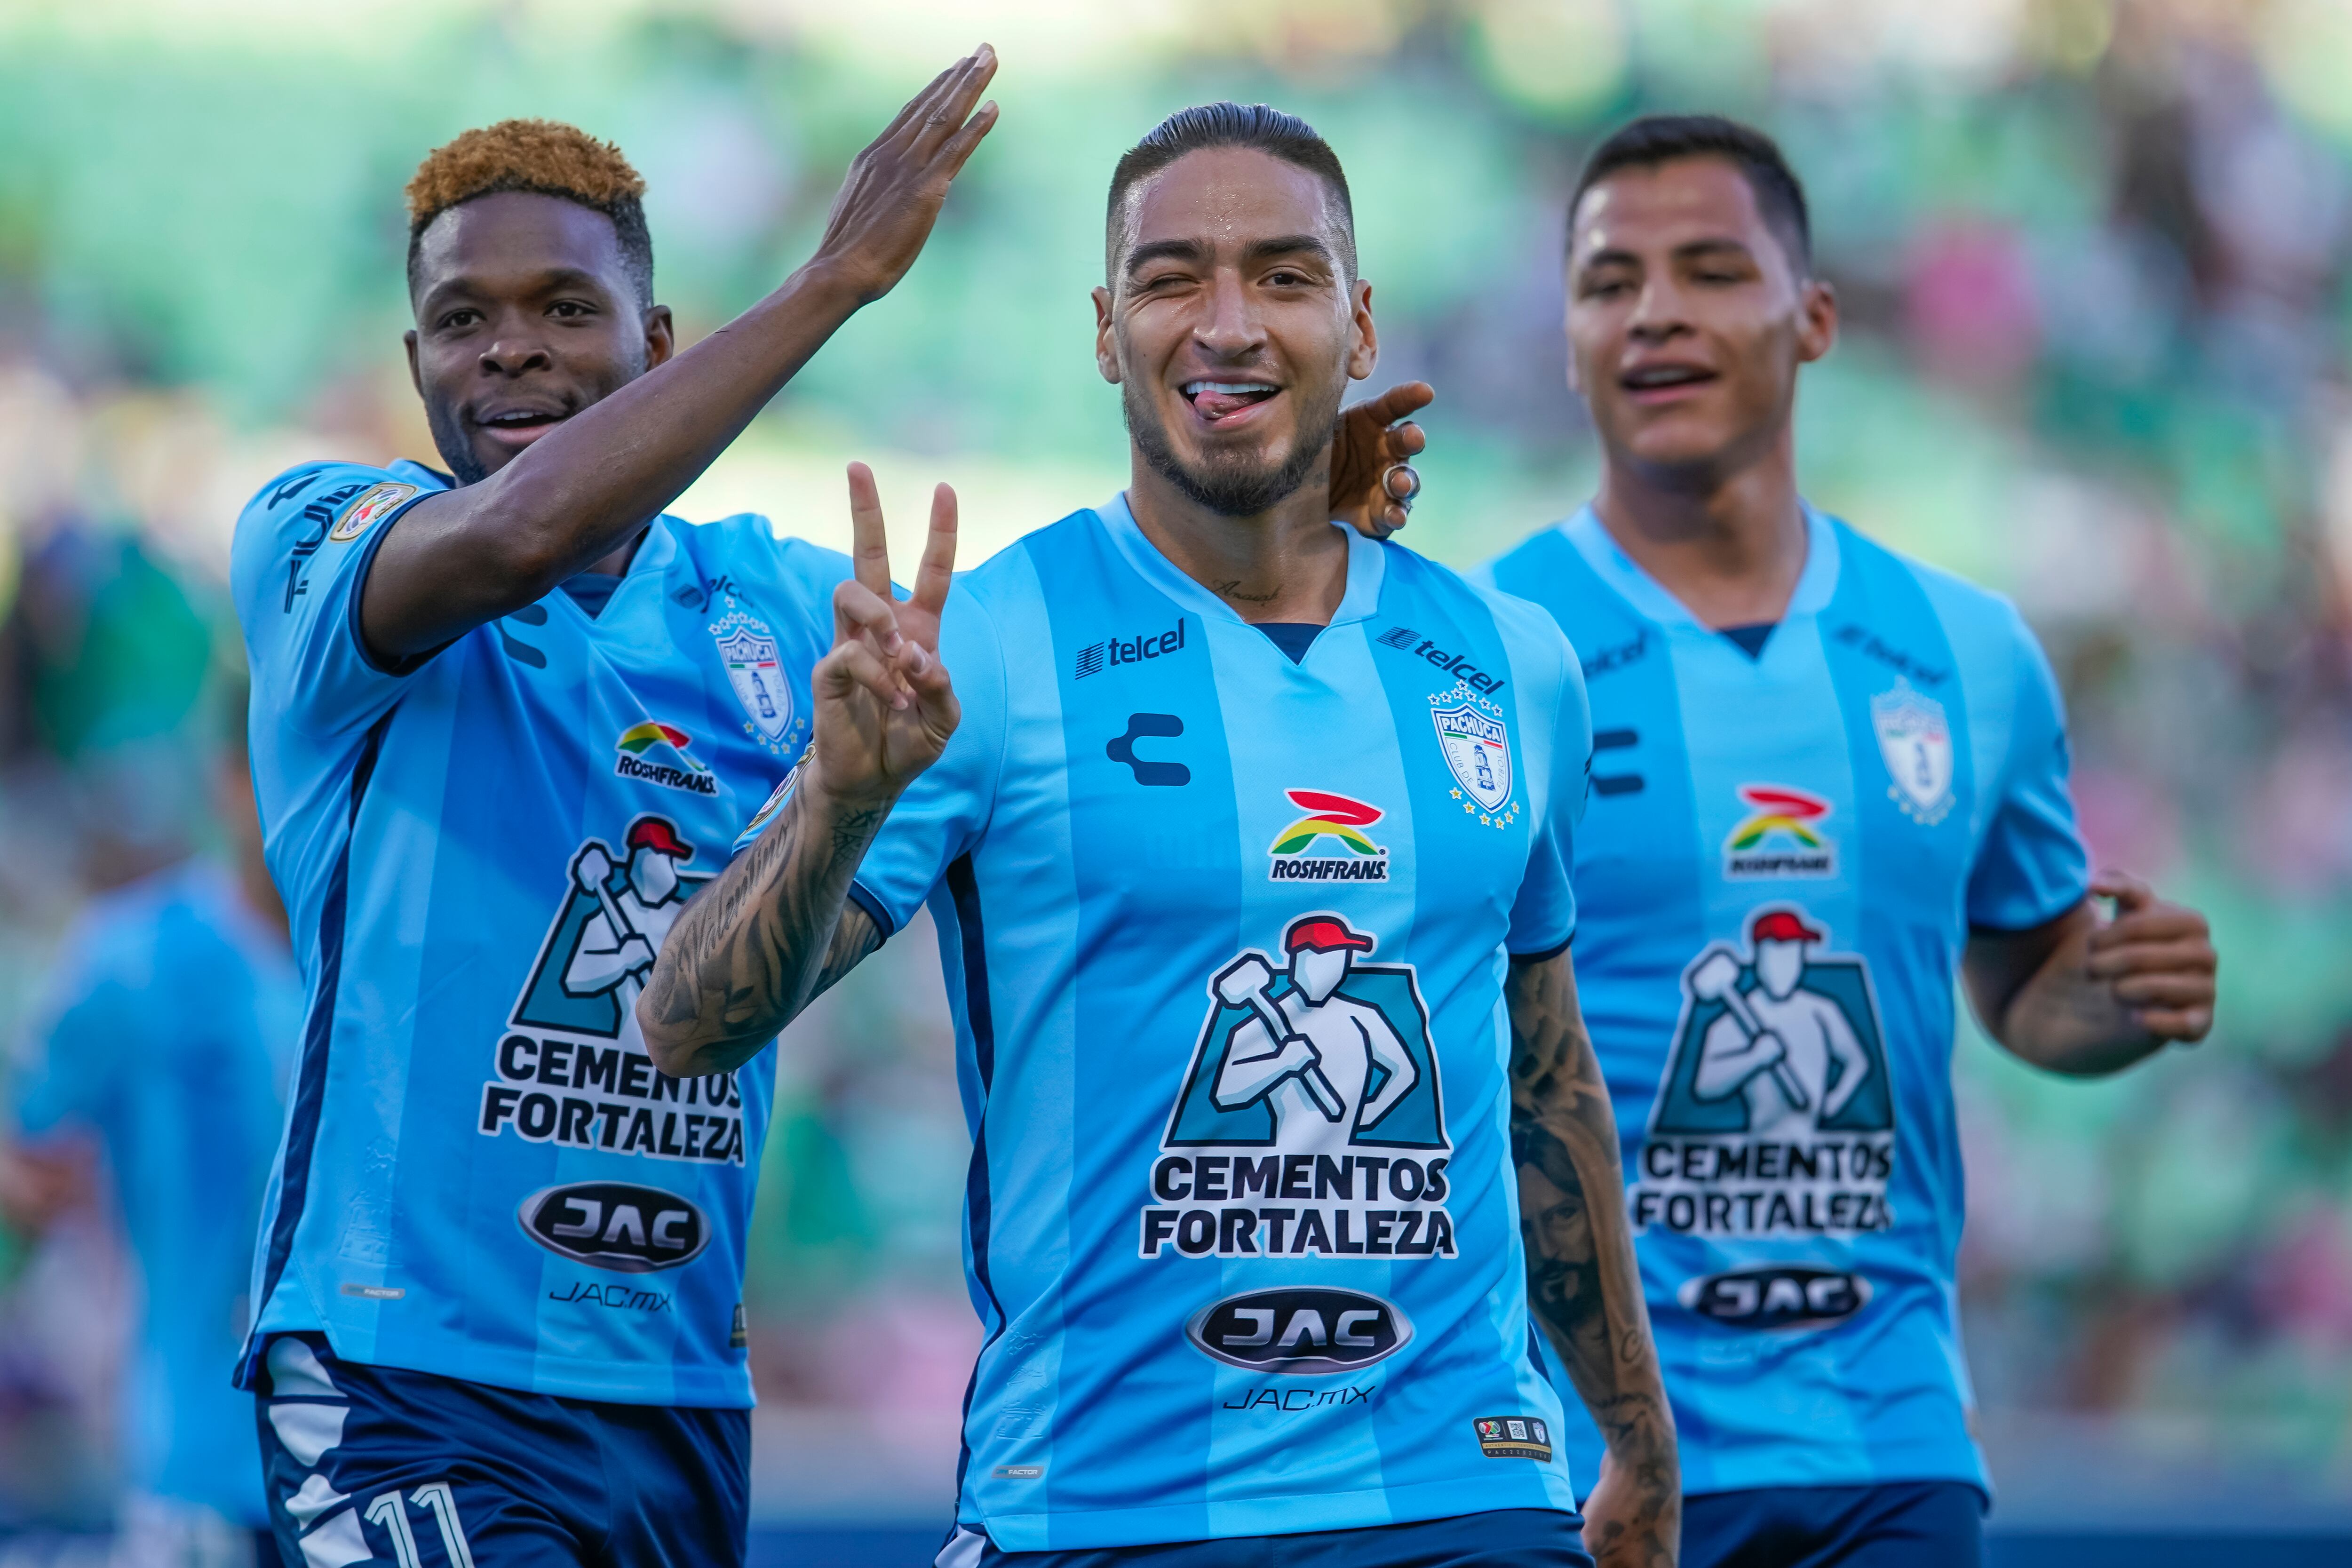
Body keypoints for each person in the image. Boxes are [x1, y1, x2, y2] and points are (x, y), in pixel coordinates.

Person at [641, 103, 1681, 1568]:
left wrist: (1634, 1432)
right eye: (1173, 275)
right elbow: (684, 1023)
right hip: (1103, 1513)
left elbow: (1546, 1082)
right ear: (1103, 325)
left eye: (1284, 274)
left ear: (1363, 321)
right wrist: (840, 796)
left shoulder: (1516, 664)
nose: (1230, 323)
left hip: (1462, 1499)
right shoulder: (993, 644)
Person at [229, 54, 1007, 1568]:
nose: (510, 352)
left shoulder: (772, 603)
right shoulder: (320, 542)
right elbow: (525, 527)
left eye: (566, 311)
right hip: (405, 1378)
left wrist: (1296, 534)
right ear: (415, 359)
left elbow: (1035, 673)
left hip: (677, 1395)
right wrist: (836, 282)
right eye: (465, 320)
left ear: (655, 340)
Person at [1476, 115, 2219, 1567]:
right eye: (1610, 281)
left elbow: (2022, 980)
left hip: (1885, 1439)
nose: (1657, 312)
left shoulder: (1967, 652)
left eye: (1708, 268)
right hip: (1579, 1454)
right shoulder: (1478, 656)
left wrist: (2118, 994)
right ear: (1567, 337)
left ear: (1813, 317)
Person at [3, 686, 299, 1567]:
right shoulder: (133, 956)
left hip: (377, 1469)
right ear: (230, 784)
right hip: (200, 1475)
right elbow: (23, 1147)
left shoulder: (390, 965)